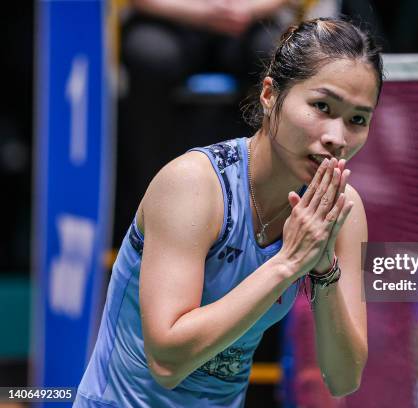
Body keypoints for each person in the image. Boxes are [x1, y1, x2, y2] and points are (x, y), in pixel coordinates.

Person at [74, 17, 384, 407]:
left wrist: (324, 271)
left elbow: (343, 378)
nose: (337, 138)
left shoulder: (342, 210)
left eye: (357, 119)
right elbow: (167, 362)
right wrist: (287, 263)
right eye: (322, 106)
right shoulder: (193, 186)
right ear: (270, 94)